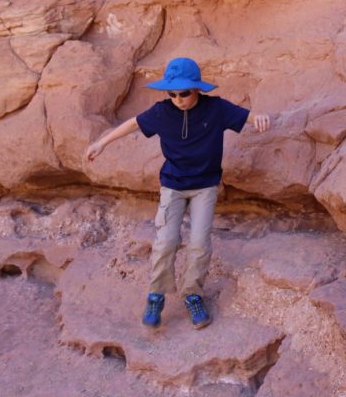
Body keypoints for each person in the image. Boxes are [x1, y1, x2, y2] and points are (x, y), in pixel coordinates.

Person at [85, 57, 271, 330]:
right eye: (171, 93)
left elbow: (246, 116)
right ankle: (156, 294)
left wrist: (260, 117)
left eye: (183, 93)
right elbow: (133, 123)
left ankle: (192, 294)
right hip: (172, 185)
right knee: (166, 241)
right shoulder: (162, 112)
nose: (178, 98)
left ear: (196, 89)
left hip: (205, 186)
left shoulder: (215, 108)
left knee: (199, 243)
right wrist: (102, 142)